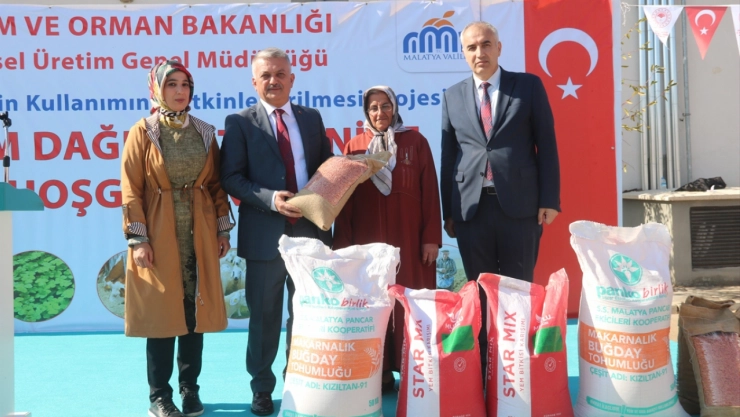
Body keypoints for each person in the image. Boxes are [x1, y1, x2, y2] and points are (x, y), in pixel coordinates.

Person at [219, 47, 333, 416]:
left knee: (307, 314)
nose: (273, 81)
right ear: (254, 82)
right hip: (265, 235)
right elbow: (230, 177)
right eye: (266, 75)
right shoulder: (240, 123)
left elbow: (325, 169)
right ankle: (262, 388)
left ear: (292, 79)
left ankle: (298, 381)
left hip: (310, 234)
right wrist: (271, 199)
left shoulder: (311, 118)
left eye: (280, 74)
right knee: (264, 318)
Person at [440, 22, 561, 365]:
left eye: (486, 44)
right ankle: (483, 367)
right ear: (463, 53)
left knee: (517, 290)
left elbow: (547, 144)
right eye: (471, 47)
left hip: (520, 208)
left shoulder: (528, 86)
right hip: (471, 210)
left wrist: (549, 199)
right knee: (478, 292)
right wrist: (448, 212)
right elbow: (449, 157)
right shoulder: (452, 96)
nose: (479, 52)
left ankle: (515, 367)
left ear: (498, 48)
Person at [121, 60, 234, 417]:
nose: (180, 91)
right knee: (162, 316)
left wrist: (221, 229)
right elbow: (131, 190)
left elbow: (215, 185)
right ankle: (159, 396)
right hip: (158, 233)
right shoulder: (143, 131)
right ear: (157, 89)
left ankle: (190, 389)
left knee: (193, 314)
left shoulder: (204, 131)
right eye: (171, 84)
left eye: (185, 84)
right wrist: (139, 239)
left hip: (198, 232)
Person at [333, 85, 442, 391]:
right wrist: (344, 248)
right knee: (374, 305)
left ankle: (413, 368)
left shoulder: (416, 143)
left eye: (385, 105)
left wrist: (430, 238)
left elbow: (430, 192)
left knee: (410, 303)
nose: (380, 112)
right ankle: (378, 370)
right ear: (366, 112)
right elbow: (345, 200)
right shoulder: (355, 146)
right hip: (367, 242)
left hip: (409, 240)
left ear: (394, 107)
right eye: (373, 107)